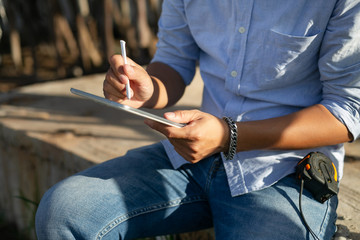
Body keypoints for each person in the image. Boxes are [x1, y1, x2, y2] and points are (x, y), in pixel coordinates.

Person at [35, 0, 360, 239]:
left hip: (283, 171)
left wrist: (227, 135)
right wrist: (146, 88)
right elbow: (173, 62)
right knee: (65, 211)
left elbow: (345, 113)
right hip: (192, 160)